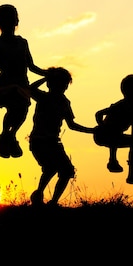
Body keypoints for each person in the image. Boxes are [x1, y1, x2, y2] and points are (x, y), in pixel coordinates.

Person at [27, 67, 95, 206]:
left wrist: (91, 130)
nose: (63, 87)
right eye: (60, 83)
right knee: (53, 168)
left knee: (66, 170)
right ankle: (39, 194)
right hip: (39, 141)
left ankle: (52, 201)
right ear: (51, 84)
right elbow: (30, 88)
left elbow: (72, 124)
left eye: (64, 84)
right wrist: (46, 77)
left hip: (53, 141)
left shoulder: (64, 102)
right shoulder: (43, 97)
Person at [0, 4, 47, 159]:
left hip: (22, 83)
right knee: (16, 108)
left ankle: (9, 136)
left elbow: (32, 66)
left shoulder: (23, 42)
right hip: (5, 84)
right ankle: (6, 137)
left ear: (16, 22)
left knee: (22, 112)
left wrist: (48, 73)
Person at [93, 74, 133, 184]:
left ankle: (131, 172)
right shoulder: (121, 106)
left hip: (113, 135)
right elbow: (99, 114)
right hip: (103, 135)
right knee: (122, 136)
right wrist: (102, 126)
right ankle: (114, 162)